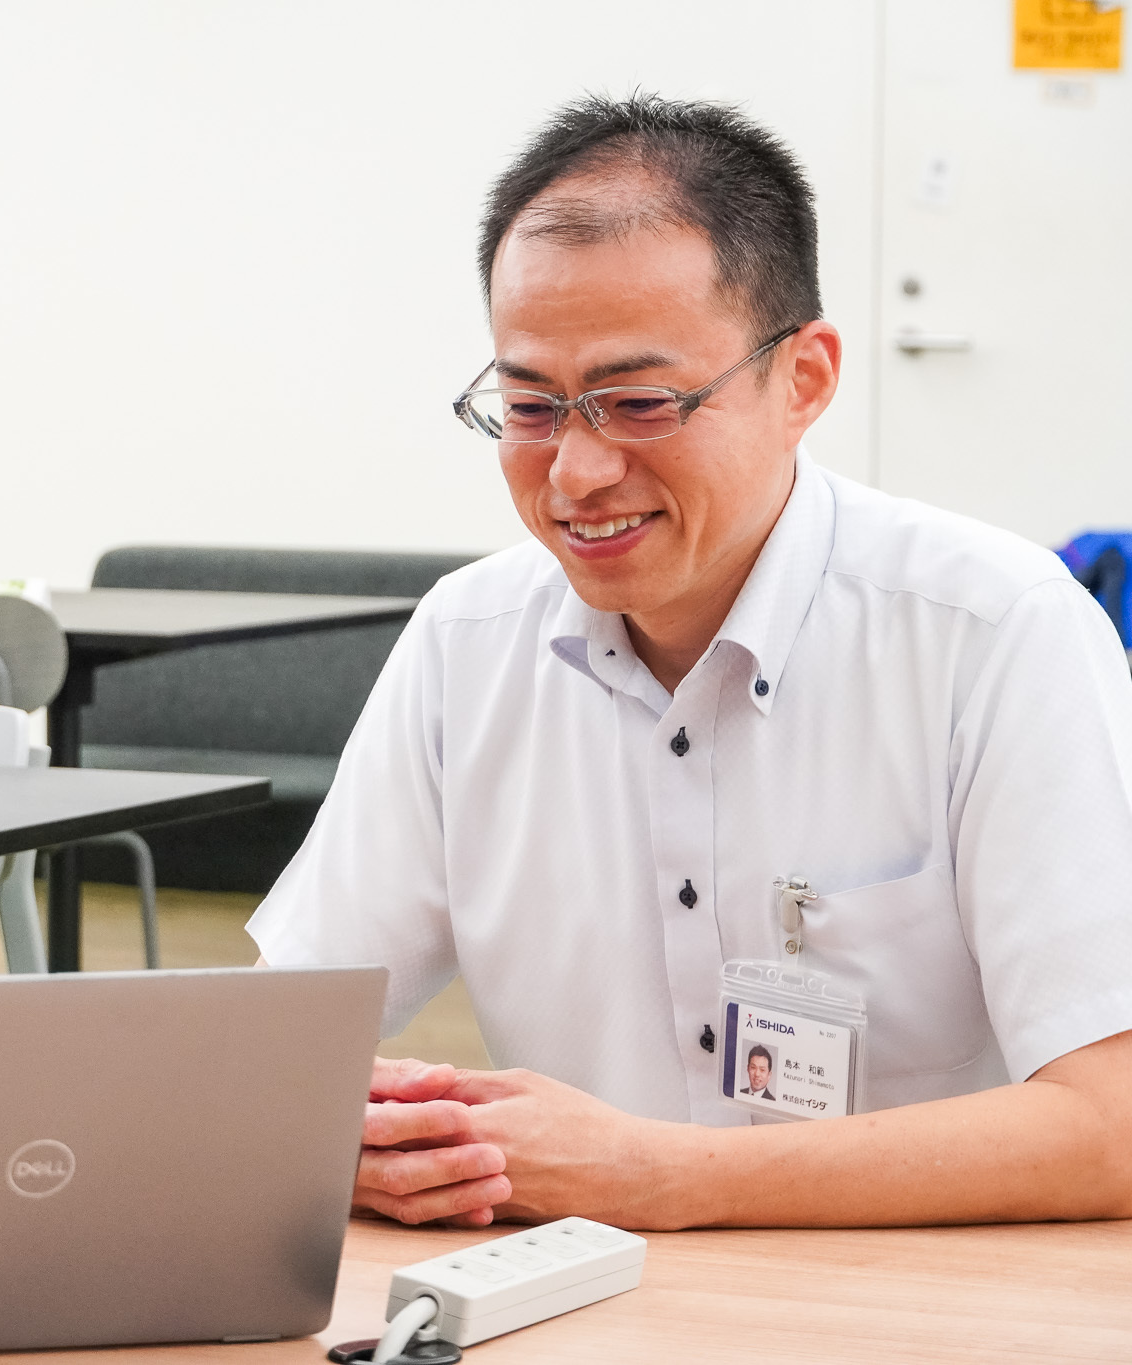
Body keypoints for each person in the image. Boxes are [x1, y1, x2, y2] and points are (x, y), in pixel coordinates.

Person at [248, 94, 1132, 1229]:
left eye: (637, 403)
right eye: (530, 406)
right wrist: (348, 1135)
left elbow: (1112, 1120)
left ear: (802, 379)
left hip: (915, 1288)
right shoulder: (467, 642)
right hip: (571, 1287)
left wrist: (661, 1177)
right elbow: (277, 1044)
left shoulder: (990, 631)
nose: (575, 473)